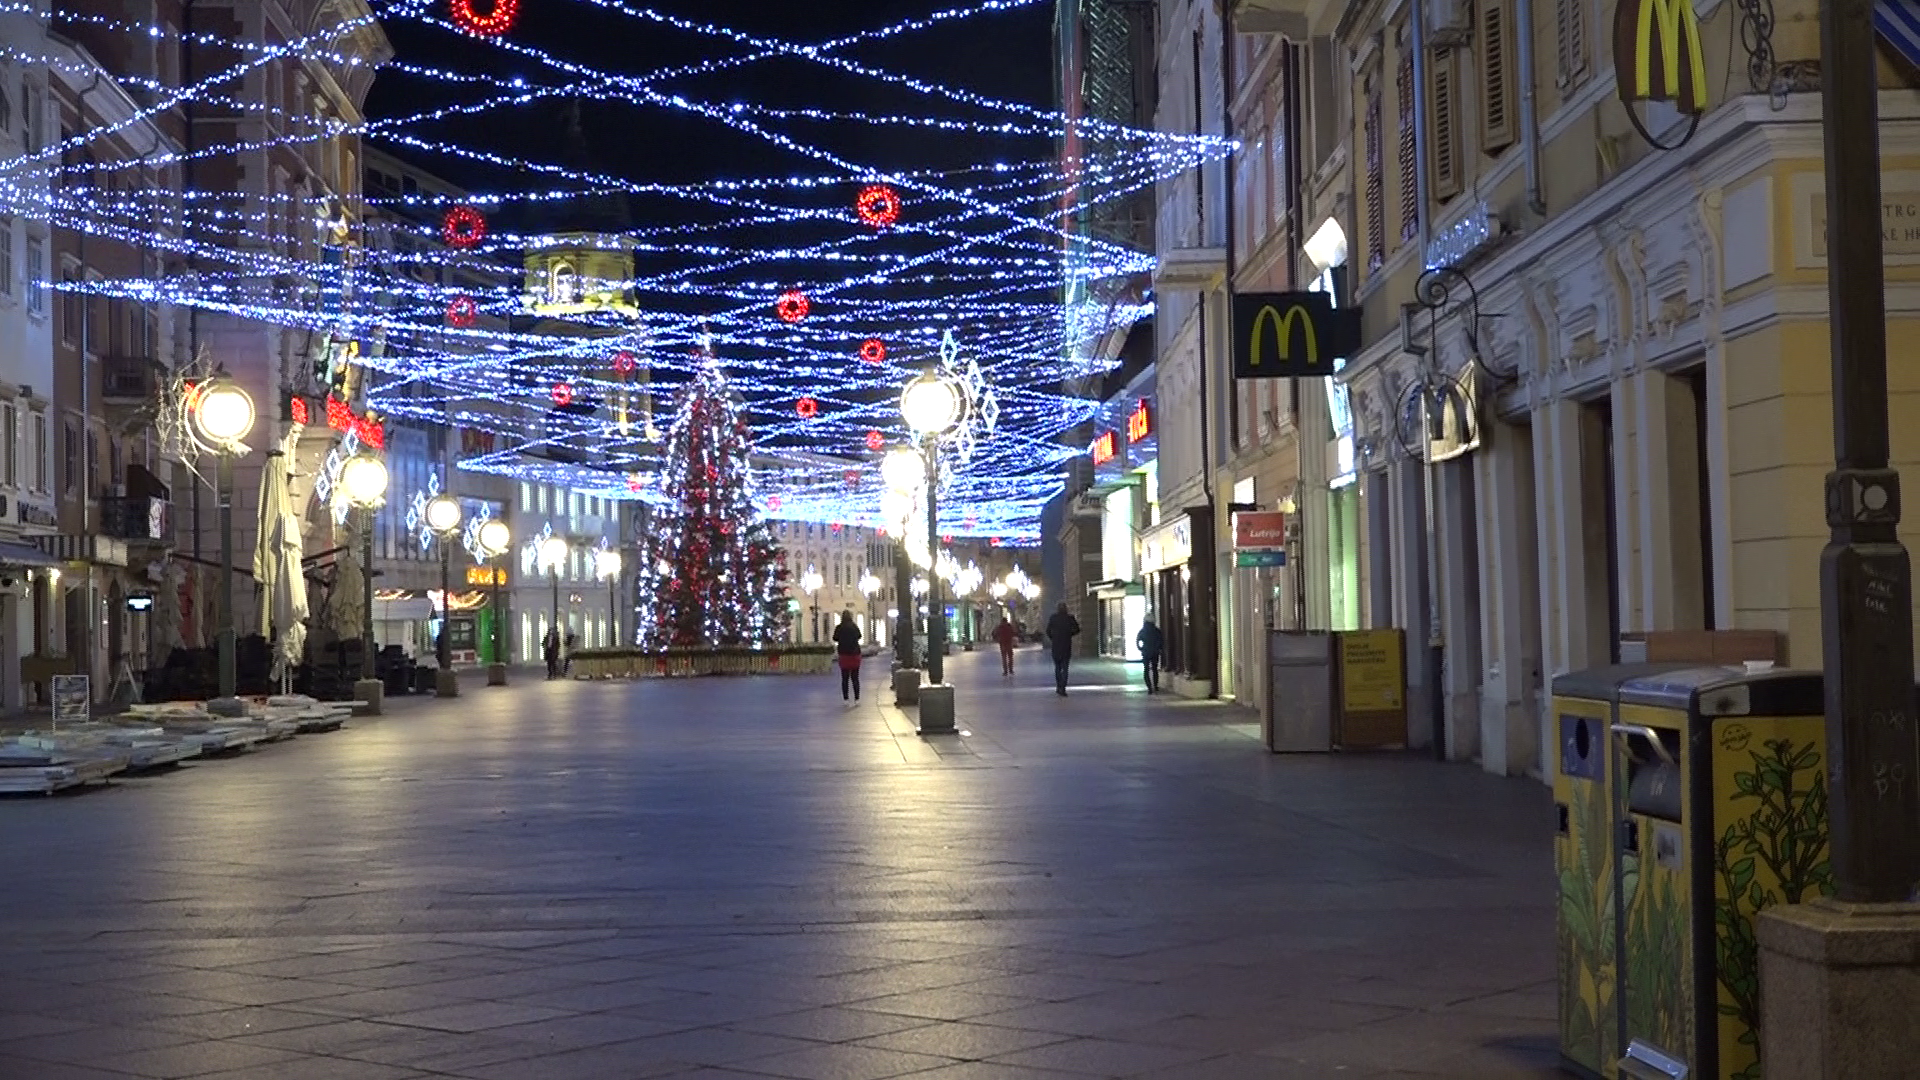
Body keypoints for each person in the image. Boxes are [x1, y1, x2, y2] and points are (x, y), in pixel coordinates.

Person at [1044, 602, 1081, 696]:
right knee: (1065, 668)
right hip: (1066, 645)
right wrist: (1069, 634)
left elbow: (1048, 631)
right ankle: (1063, 688)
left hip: (1056, 646)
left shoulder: (1053, 618)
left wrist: (1053, 638)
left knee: (1057, 667)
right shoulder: (1070, 618)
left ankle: (1058, 686)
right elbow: (1077, 629)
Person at [831, 610, 863, 702]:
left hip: (844, 654)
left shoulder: (839, 627)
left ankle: (846, 698)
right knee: (855, 678)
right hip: (854, 654)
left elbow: (835, 638)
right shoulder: (854, 626)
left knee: (845, 678)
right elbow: (859, 636)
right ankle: (857, 698)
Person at [1136, 618, 1165, 693]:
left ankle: (1149, 687)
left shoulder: (1143, 631)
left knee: (1146, 669)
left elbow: (1138, 640)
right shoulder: (1156, 630)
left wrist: (1141, 648)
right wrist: (1159, 649)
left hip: (1146, 652)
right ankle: (1155, 686)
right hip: (1155, 652)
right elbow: (1161, 641)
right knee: (1155, 669)